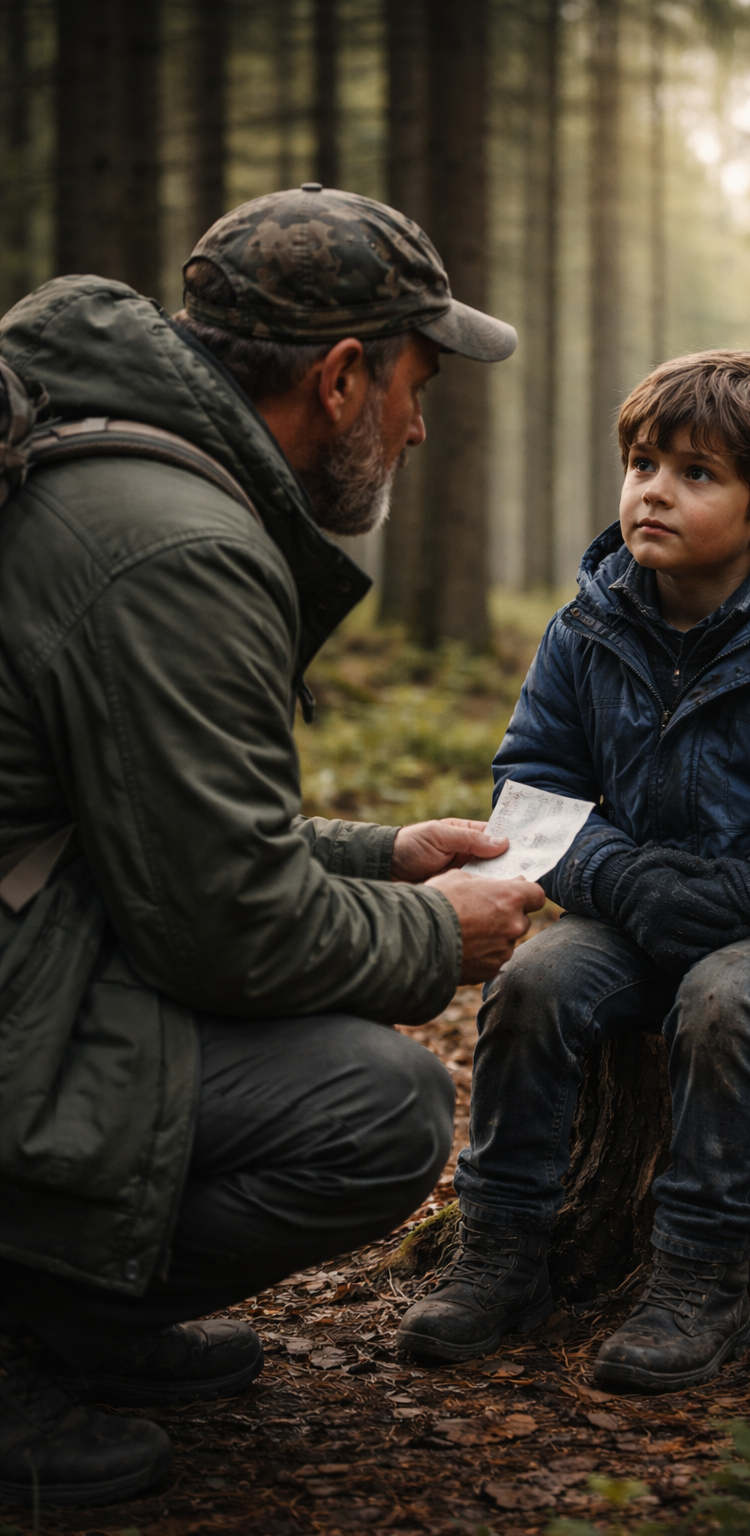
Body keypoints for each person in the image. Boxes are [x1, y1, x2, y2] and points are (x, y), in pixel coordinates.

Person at [0, 185, 544, 1506]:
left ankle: (75, 1324)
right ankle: (27, 1342)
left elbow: (148, 823)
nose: (420, 427)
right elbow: (223, 924)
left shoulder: (111, 464)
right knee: (377, 1109)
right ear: (344, 376)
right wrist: (442, 936)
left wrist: (386, 856)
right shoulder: (176, 546)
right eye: (416, 384)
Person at [398, 350, 750, 1392]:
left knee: (724, 998)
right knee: (534, 983)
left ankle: (700, 1278)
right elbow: (534, 789)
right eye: (643, 462)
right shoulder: (585, 632)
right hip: (632, 908)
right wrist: (628, 883)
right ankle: (505, 1251)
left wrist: (745, 893)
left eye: (697, 473)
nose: (653, 489)